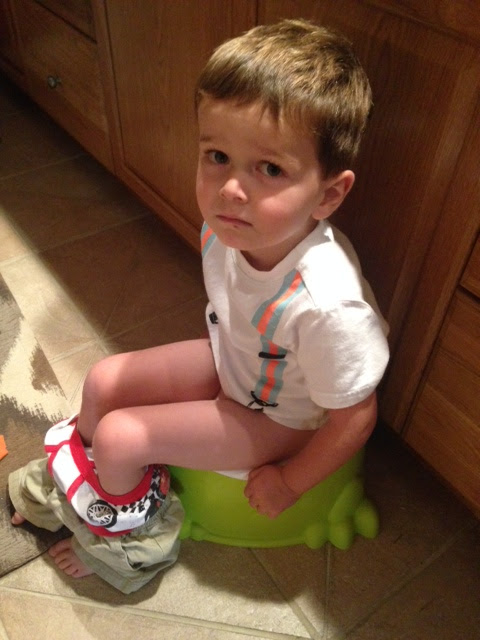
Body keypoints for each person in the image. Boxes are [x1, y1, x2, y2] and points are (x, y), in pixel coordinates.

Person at [9, 18, 389, 591]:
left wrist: (291, 482)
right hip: (240, 363)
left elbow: (354, 418)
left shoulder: (327, 307)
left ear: (329, 194)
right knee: (104, 381)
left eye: (269, 169)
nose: (231, 188)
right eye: (217, 155)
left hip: (282, 418)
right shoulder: (230, 226)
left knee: (122, 437)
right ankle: (79, 483)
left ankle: (130, 545)